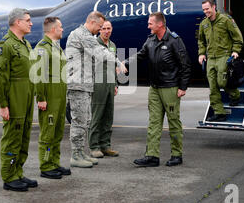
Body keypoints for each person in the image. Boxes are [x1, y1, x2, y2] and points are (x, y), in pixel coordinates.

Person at [124, 12, 191, 167]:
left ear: (160, 24)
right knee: (154, 122)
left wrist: (183, 87)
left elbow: (185, 65)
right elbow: (140, 56)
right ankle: (152, 156)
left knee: (173, 122)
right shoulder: (150, 40)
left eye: (150, 23)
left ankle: (176, 154)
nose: (148, 26)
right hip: (154, 88)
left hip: (170, 87)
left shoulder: (174, 40)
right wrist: (124, 64)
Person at [66, 11, 126, 168]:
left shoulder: (87, 36)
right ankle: (75, 155)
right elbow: (99, 52)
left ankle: (80, 152)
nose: (100, 29)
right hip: (78, 84)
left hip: (85, 84)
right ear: (92, 22)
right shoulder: (81, 34)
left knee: (84, 120)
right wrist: (119, 62)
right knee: (79, 121)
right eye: (100, 26)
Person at [0, 8, 37, 192]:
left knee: (24, 135)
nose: (31, 23)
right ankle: (9, 176)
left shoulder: (25, 44)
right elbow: (0, 77)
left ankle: (18, 171)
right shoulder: (6, 45)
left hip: (26, 96)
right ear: (17, 22)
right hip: (14, 97)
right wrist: (3, 104)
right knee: (12, 137)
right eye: (27, 20)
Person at [32, 17, 71, 179]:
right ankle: (46, 165)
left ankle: (54, 162)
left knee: (57, 132)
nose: (62, 29)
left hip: (60, 98)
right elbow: (38, 75)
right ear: (53, 29)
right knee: (48, 134)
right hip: (49, 98)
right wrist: (41, 98)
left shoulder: (56, 48)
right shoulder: (43, 48)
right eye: (60, 27)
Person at [198, 0, 244, 122]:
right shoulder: (204, 24)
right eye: (203, 10)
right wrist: (201, 53)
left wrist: (235, 50)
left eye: (207, 9)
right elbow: (201, 41)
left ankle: (235, 95)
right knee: (212, 87)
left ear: (214, 7)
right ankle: (219, 113)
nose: (205, 11)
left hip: (224, 56)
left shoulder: (225, 20)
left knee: (222, 82)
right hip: (211, 58)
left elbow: (237, 36)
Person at [88, 20, 119, 158]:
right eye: (104, 28)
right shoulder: (94, 45)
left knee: (108, 116)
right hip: (98, 84)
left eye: (109, 28)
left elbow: (114, 65)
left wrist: (116, 84)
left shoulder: (112, 45)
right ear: (99, 30)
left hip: (110, 83)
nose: (107, 31)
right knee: (97, 116)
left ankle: (105, 145)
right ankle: (94, 146)